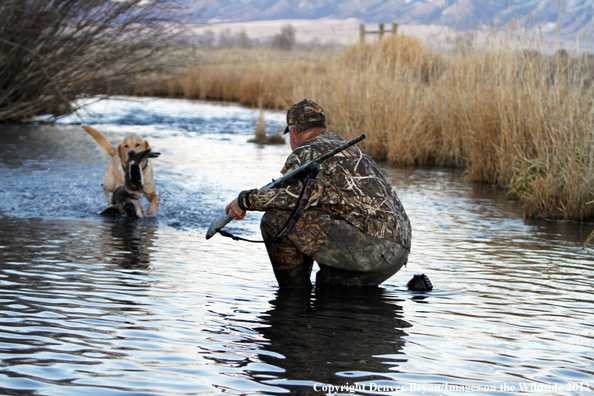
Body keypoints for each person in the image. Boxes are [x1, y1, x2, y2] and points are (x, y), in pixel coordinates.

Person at [226, 99, 411, 288]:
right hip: (397, 253)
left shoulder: (305, 151)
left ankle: (293, 298)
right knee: (329, 286)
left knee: (276, 220)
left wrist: (246, 200)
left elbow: (300, 197)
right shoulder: (348, 148)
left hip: (371, 249)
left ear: (293, 132)